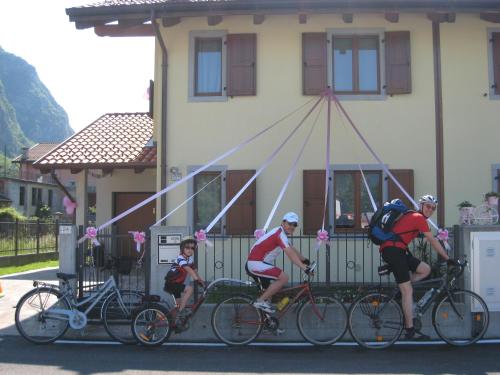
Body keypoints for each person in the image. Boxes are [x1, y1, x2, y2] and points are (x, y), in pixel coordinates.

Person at [379, 194, 451, 340]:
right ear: (421, 205)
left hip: (397, 250)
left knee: (425, 269)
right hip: (393, 251)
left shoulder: (415, 218)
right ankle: (410, 330)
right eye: (428, 206)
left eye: (433, 208)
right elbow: (432, 240)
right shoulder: (418, 218)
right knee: (408, 291)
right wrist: (448, 259)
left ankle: (403, 289)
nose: (430, 209)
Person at [246, 212, 311, 313]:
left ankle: (269, 325)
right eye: (289, 224)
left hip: (260, 264)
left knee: (269, 295)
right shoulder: (279, 234)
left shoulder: (281, 233)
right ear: (283, 223)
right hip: (256, 263)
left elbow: (291, 249)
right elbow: (291, 255)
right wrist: (304, 268)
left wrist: (305, 260)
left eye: (294, 225)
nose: (292, 227)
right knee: (284, 278)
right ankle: (259, 301)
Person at [164, 236, 205, 320]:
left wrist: (200, 280)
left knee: (178, 306)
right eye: (187, 247)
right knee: (190, 289)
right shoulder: (180, 258)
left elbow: (194, 270)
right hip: (171, 283)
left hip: (177, 284)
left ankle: (173, 324)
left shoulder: (189, 259)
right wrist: (196, 279)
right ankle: (181, 312)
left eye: (192, 248)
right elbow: (188, 269)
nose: (190, 250)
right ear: (182, 248)